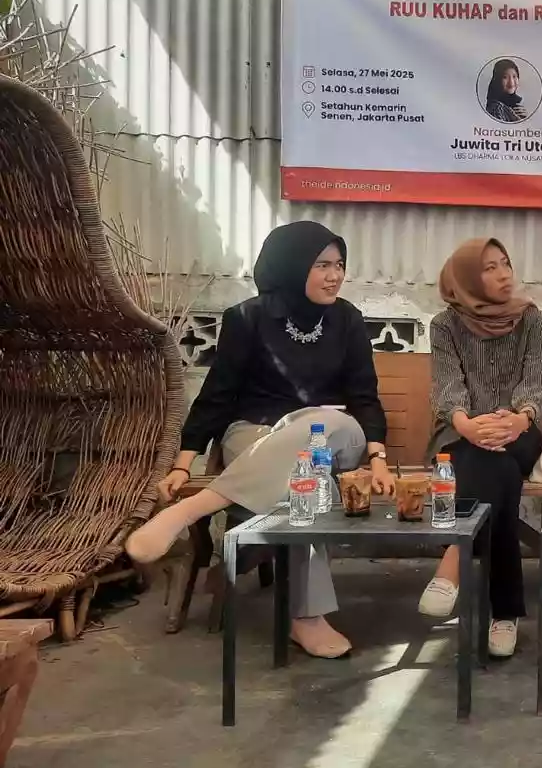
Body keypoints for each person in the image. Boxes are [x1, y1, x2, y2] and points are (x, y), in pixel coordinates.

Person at [125, 221, 393, 658]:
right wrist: (182, 463)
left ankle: (195, 509)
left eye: (340, 265)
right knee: (307, 485)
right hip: (257, 435)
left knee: (321, 424)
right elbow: (218, 395)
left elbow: (364, 397)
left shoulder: (347, 320)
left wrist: (377, 457)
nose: (335, 276)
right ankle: (307, 618)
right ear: (292, 266)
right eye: (322, 265)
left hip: (333, 435)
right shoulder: (247, 318)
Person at [416, 238, 542, 658]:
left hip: (520, 430)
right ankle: (505, 614)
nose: (504, 274)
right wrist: (467, 425)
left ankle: (453, 561)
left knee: (497, 464)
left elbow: (537, 381)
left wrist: (519, 419)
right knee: (499, 475)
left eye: (505, 263)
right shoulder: (445, 325)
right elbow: (446, 386)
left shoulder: (532, 319)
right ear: (468, 279)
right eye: (490, 268)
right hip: (461, 433)